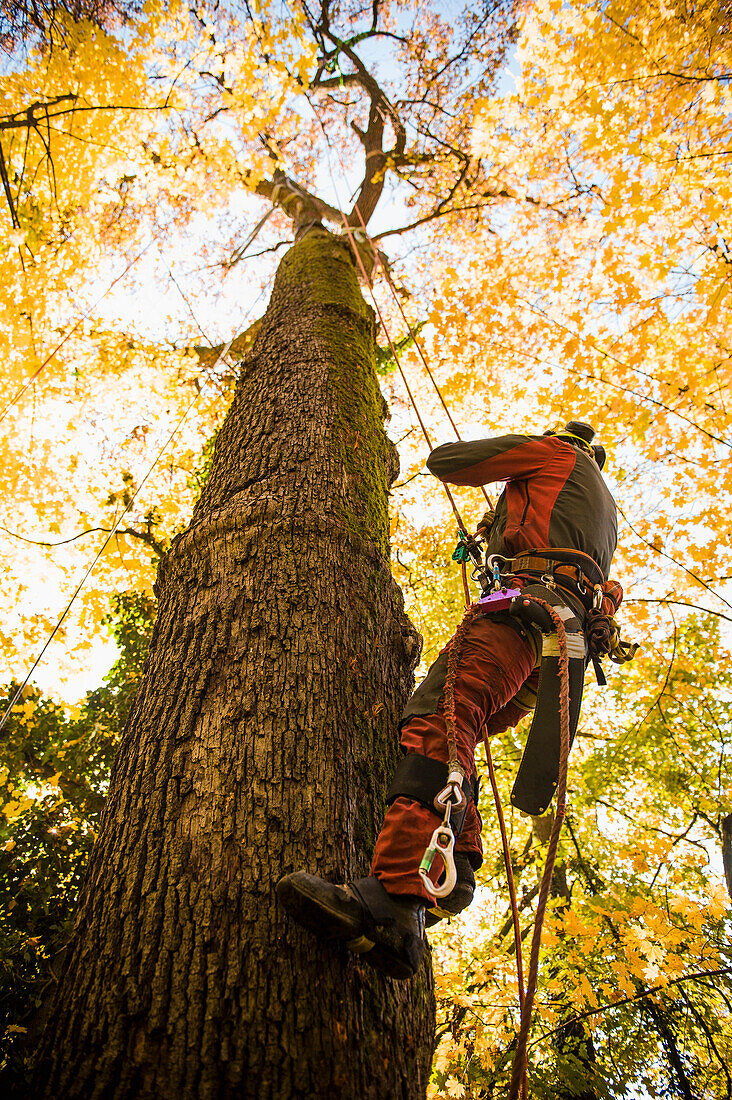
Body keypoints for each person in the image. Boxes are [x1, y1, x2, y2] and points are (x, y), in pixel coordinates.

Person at [277, 421, 618, 979]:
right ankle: (454, 858)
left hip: (525, 613)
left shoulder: (557, 455)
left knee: (439, 715)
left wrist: (508, 467)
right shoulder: (602, 513)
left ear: (568, 439)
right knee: (461, 726)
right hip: (553, 646)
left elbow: (449, 462)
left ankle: (394, 892)